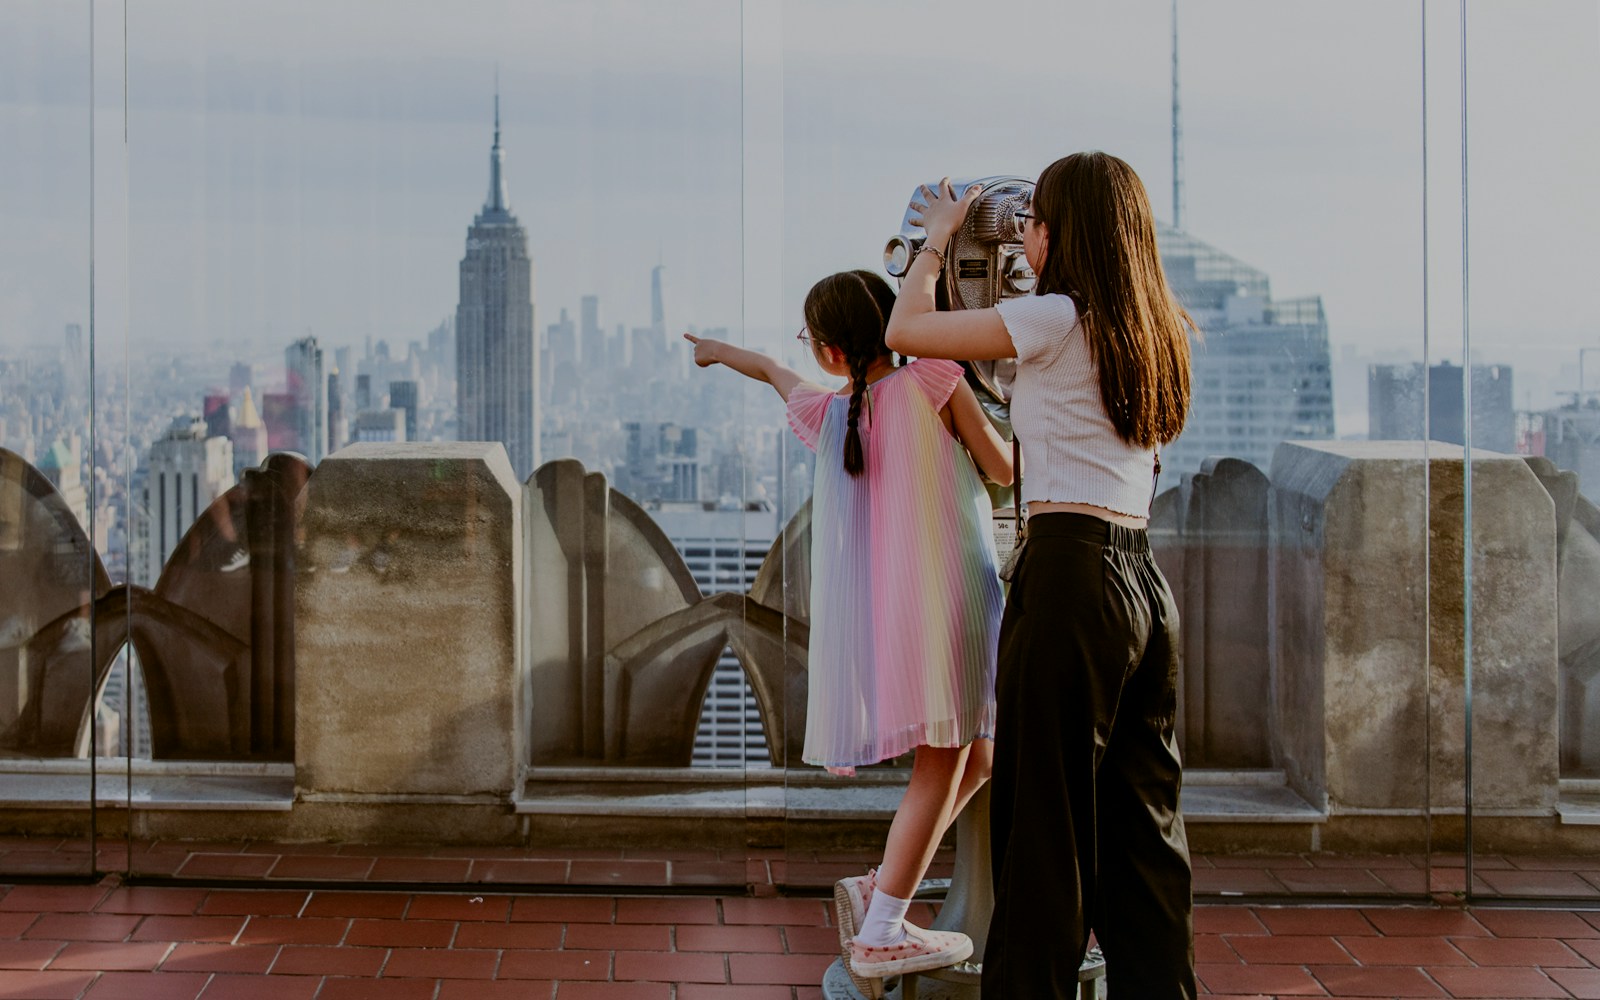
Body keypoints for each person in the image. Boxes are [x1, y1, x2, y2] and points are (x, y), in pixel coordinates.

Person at [884, 154, 1198, 999]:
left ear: (1063, 234)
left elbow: (905, 334)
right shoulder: (1157, 324)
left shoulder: (1053, 317)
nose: (1022, 235)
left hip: (1069, 578)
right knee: (1145, 834)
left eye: (1033, 222)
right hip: (1142, 586)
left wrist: (938, 242)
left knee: (1043, 833)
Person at [685, 268, 1013, 997]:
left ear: (831, 350)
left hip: (898, 620)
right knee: (945, 759)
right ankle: (882, 930)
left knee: (983, 755)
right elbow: (1003, 470)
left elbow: (773, 372)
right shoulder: (934, 378)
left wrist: (714, 350)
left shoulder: (831, 415)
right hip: (954, 602)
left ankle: (880, 886)